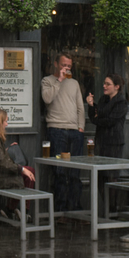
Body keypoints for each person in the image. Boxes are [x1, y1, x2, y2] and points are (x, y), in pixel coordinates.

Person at [41, 52, 85, 212]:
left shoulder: (74, 83)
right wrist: (59, 80)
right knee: (59, 172)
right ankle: (60, 211)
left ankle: (75, 209)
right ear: (55, 64)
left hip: (75, 132)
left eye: (69, 66)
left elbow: (80, 107)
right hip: (56, 130)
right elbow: (47, 99)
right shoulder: (47, 81)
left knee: (75, 173)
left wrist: (80, 128)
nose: (66, 68)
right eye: (63, 65)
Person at [86, 73, 128, 160]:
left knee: (111, 170)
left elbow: (110, 121)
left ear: (117, 86)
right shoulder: (103, 99)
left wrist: (98, 119)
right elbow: (94, 117)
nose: (104, 86)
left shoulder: (121, 102)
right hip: (100, 141)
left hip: (114, 143)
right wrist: (91, 105)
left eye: (108, 84)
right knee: (99, 170)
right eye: (104, 83)